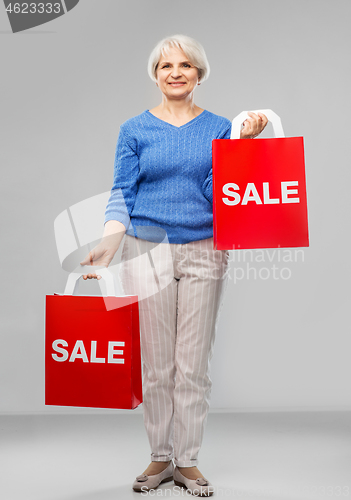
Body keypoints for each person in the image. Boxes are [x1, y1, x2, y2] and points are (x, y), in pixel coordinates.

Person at [81, 34, 267, 497]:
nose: (176, 72)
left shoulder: (221, 126)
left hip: (206, 247)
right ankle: (160, 455)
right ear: (156, 75)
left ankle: (188, 461)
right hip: (145, 249)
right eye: (166, 66)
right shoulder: (135, 129)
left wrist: (241, 145)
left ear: (199, 73)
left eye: (186, 65)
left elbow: (222, 189)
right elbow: (122, 192)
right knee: (158, 365)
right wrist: (108, 244)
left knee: (193, 364)